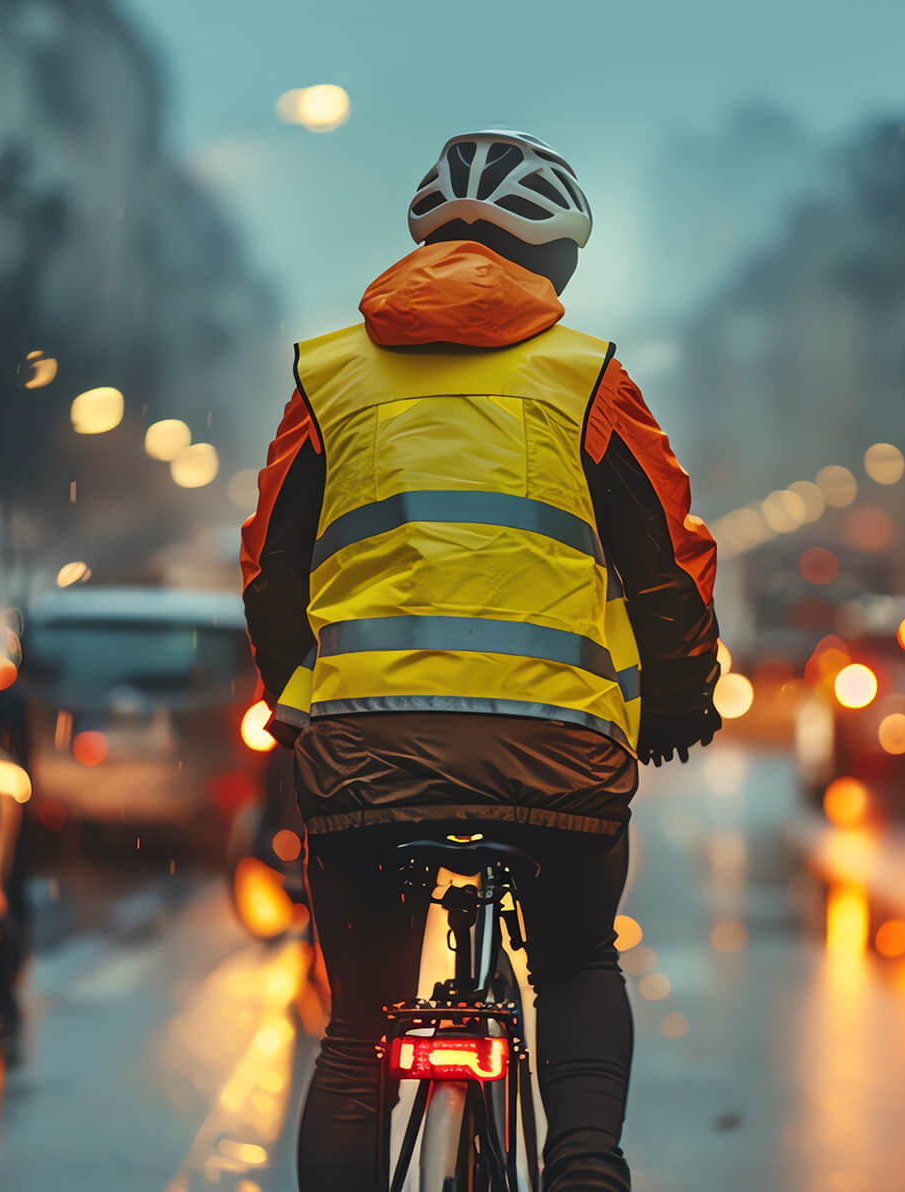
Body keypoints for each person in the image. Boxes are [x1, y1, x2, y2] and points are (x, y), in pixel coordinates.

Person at [242, 127, 721, 1191]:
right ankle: (584, 1166)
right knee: (578, 960)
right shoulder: (585, 377)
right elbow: (668, 566)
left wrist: (295, 699)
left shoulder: (330, 376)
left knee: (359, 1027)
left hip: (364, 753)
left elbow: (270, 571)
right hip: (556, 754)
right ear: (555, 261)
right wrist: (681, 698)